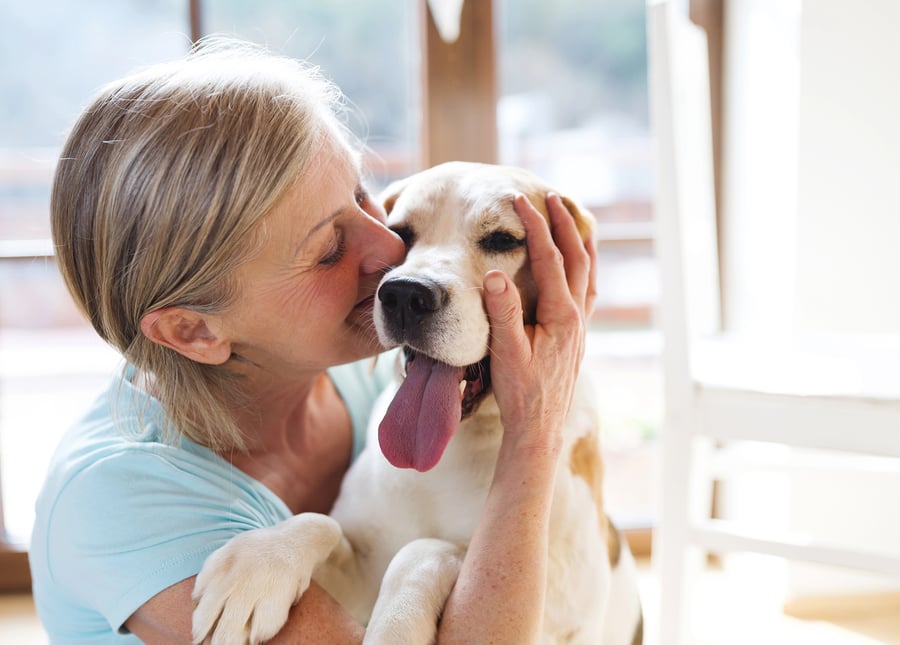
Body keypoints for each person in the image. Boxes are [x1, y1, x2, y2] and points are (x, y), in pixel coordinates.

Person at [29, 36, 596, 644]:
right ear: (193, 329)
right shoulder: (122, 505)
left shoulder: (365, 371)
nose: (391, 254)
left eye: (363, 198)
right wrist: (535, 431)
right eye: (328, 250)